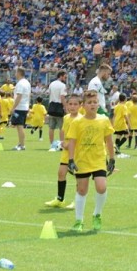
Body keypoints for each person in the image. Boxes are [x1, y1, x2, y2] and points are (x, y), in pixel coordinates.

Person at [66, 90, 115, 232]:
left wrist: (111, 159)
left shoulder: (104, 120)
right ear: (83, 105)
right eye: (89, 102)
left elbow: (109, 141)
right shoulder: (77, 122)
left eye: (95, 102)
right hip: (82, 160)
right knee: (82, 190)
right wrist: (70, 160)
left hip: (99, 159)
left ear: (98, 104)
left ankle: (97, 214)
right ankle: (79, 220)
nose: (92, 105)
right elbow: (72, 142)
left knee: (101, 187)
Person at [45, 94, 82, 209]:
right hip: (66, 151)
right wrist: (62, 142)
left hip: (77, 152)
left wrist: (69, 144)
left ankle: (77, 201)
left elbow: (80, 137)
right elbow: (64, 131)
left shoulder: (81, 120)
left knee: (79, 177)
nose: (72, 106)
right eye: (70, 104)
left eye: (75, 104)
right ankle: (60, 199)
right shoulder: (66, 118)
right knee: (61, 173)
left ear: (80, 106)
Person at [46, 70, 68, 150]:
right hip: (59, 106)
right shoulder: (62, 85)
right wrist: (65, 107)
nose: (65, 79)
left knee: (51, 127)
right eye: (65, 77)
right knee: (61, 127)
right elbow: (62, 97)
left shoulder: (51, 84)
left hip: (52, 105)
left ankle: (51, 144)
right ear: (61, 76)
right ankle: (61, 144)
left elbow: (49, 93)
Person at [10, 67, 31, 151]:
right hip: (24, 106)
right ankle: (20, 144)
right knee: (20, 126)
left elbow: (19, 96)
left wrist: (13, 108)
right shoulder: (27, 82)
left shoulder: (21, 83)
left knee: (20, 126)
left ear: (19, 73)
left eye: (16, 72)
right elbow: (29, 95)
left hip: (20, 107)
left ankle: (22, 145)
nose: (15, 74)